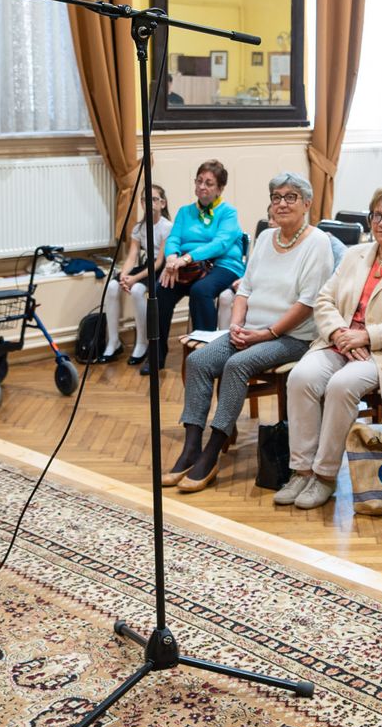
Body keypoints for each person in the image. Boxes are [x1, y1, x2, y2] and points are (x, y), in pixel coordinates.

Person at [165, 172, 338, 493]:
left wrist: (265, 333)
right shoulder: (265, 239)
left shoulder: (318, 243)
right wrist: (236, 324)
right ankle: (191, 447)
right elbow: (244, 289)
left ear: (307, 203)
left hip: (293, 337)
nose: (282, 203)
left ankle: (212, 452)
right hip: (250, 330)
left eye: (290, 197)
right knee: (200, 362)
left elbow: (307, 304)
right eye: (276, 197)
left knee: (236, 365)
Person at [277, 186, 382, 510]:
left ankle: (324, 476)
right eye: (376, 215)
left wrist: (366, 336)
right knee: (301, 377)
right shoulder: (355, 255)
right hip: (338, 343)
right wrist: (340, 332)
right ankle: (300, 470)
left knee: (342, 385)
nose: (381, 222)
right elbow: (324, 299)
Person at [151, 160, 246, 367]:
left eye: (209, 183)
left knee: (201, 290)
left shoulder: (228, 212)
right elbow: (174, 238)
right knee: (161, 290)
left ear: (220, 188)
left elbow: (220, 244)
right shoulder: (185, 211)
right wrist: (171, 260)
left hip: (223, 265)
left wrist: (186, 258)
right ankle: (156, 356)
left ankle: (206, 356)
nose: (202, 186)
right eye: (199, 181)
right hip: (187, 266)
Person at [95, 183, 171, 365]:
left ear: (163, 203)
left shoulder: (167, 227)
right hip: (145, 266)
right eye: (145, 200)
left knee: (137, 290)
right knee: (112, 286)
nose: (149, 203)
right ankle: (113, 341)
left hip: (159, 269)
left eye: (154, 199)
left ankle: (142, 342)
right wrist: (124, 275)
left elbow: (159, 262)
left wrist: (134, 279)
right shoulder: (138, 228)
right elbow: (131, 256)